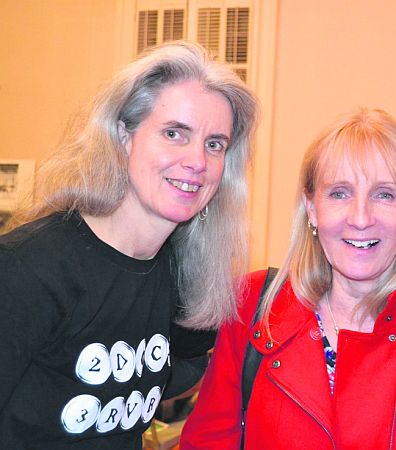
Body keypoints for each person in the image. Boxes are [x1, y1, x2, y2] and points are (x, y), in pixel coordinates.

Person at [180, 108, 396, 449]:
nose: (360, 218)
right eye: (339, 193)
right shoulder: (251, 303)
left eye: (384, 194)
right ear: (311, 208)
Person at [0, 41, 259, 448]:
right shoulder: (28, 267)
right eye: (174, 133)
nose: (197, 161)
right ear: (124, 136)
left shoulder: (184, 272)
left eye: (215, 144)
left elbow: (180, 372)